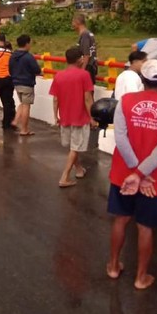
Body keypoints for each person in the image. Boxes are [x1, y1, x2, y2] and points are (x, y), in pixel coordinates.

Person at [107, 59, 157, 290]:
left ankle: (112, 266)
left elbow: (120, 138)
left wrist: (134, 171)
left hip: (123, 173)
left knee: (121, 220)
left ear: (142, 79)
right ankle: (141, 278)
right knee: (145, 227)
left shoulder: (126, 101)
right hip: (151, 178)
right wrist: (142, 174)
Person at [49, 47, 96, 188]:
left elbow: (55, 99)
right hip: (80, 118)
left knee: (72, 147)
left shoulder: (59, 75)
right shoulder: (84, 75)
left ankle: (79, 169)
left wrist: (55, 116)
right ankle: (64, 177)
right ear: (79, 59)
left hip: (65, 116)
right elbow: (88, 98)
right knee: (75, 147)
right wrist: (92, 117)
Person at [10, 34, 42, 136]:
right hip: (27, 84)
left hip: (16, 83)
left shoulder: (13, 56)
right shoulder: (28, 57)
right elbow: (37, 70)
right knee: (26, 106)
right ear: (27, 44)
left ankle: (15, 121)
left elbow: (10, 69)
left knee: (23, 104)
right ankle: (24, 129)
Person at [72, 14, 98, 85]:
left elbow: (86, 54)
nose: (72, 24)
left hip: (88, 67)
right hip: (91, 66)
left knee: (86, 92)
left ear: (78, 22)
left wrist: (82, 70)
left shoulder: (85, 35)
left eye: (73, 22)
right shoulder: (89, 33)